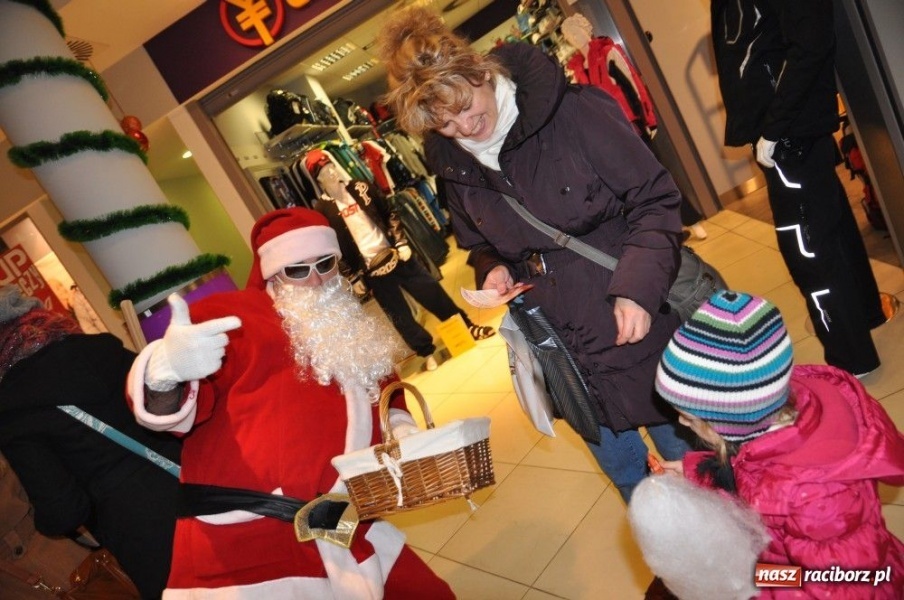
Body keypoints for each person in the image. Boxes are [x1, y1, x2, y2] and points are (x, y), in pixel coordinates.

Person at [377, 6, 694, 503]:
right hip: (563, 350)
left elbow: (655, 199)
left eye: (465, 107)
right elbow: (477, 242)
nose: (464, 128)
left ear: (481, 72)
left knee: (694, 473)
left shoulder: (571, 112)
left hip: (633, 321)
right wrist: (494, 268)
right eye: (444, 124)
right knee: (633, 485)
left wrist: (636, 288)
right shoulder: (455, 168)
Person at [126, 207, 455, 598]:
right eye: (297, 269)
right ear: (272, 273)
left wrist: (399, 424)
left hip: (341, 522)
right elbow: (175, 412)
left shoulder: (346, 322)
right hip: (255, 539)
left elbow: (384, 387)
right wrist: (164, 374)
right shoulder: (230, 318)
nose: (315, 279)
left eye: (325, 264)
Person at [653, 289, 904, 598]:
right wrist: (697, 472)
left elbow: (842, 585)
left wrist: (752, 577)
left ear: (730, 422)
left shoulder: (818, 500)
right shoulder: (764, 427)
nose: (681, 424)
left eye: (689, 419)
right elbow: (751, 476)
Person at [710, 0, 886, 377]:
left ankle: (850, 358)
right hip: (786, 127)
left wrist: (775, 127)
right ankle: (865, 321)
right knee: (829, 225)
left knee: (808, 246)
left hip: (788, 131)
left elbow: (811, 41)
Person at [0, 284, 180, 599]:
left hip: (145, 533)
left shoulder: (13, 411)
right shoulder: (99, 348)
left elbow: (64, 509)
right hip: (199, 481)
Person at [307, 149, 495, 372]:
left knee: (432, 292)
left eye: (331, 167)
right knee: (400, 316)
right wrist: (352, 275)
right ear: (318, 180)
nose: (332, 173)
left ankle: (466, 326)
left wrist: (400, 241)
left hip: (396, 255)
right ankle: (426, 351)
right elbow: (333, 249)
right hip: (371, 271)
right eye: (325, 172)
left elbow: (390, 212)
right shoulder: (323, 211)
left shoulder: (361, 188)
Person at [559, 12, 707, 242]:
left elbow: (632, 86)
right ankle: (667, 231)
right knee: (634, 184)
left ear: (586, 29)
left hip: (630, 125)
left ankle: (691, 218)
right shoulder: (578, 69)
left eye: (576, 31)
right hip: (608, 136)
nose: (575, 38)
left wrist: (647, 119)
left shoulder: (608, 53)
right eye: (570, 35)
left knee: (658, 173)